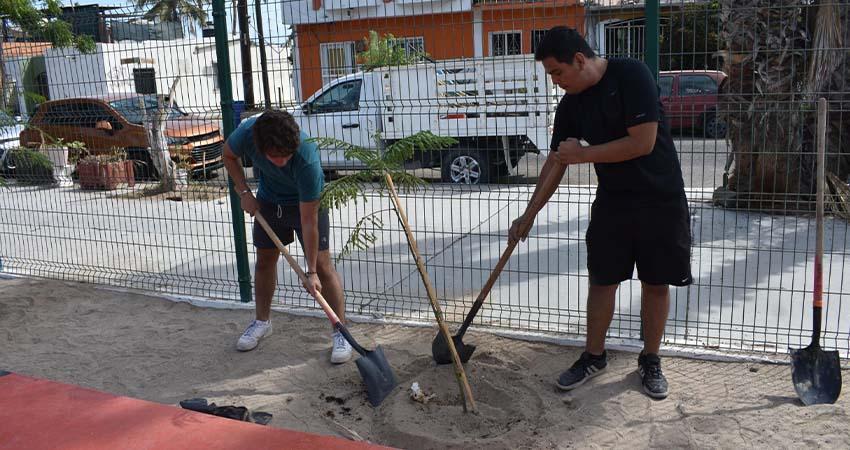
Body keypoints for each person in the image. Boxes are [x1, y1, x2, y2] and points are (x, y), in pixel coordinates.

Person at [510, 26, 693, 399]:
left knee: (656, 283)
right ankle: (594, 356)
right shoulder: (572, 104)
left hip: (661, 198)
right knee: (602, 280)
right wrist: (528, 215)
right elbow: (556, 162)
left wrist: (585, 154)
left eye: (557, 73)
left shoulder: (632, 75)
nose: (555, 82)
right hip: (614, 201)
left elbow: (642, 142)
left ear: (579, 59)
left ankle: (651, 359)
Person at [222, 109, 352, 364]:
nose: (281, 161)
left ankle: (341, 332)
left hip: (305, 206)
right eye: (274, 157)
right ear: (259, 147)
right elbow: (227, 155)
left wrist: (311, 271)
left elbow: (308, 220)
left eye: (286, 156)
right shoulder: (248, 133)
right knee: (265, 261)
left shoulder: (307, 159)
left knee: (324, 268)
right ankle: (262, 322)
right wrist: (244, 192)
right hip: (269, 202)